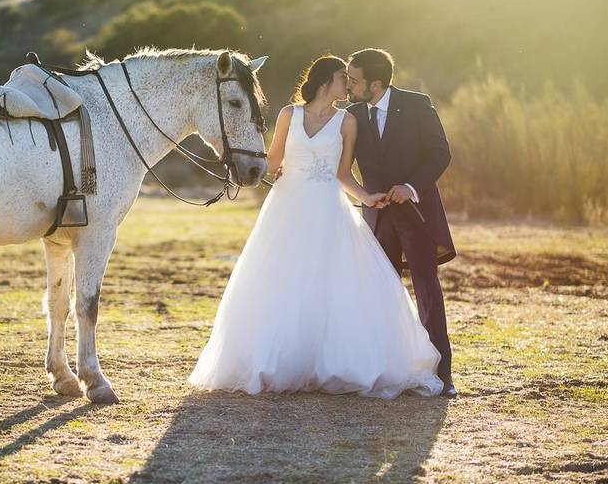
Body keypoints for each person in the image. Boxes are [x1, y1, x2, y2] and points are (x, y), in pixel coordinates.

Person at [188, 54, 444, 398]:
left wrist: (366, 197)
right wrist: (242, 169)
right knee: (280, 280)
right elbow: (273, 160)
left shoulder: (347, 121)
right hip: (287, 205)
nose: (348, 85)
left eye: (352, 79)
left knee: (327, 282)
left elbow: (343, 174)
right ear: (327, 81)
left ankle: (326, 362)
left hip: (328, 208)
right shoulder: (287, 115)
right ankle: (275, 360)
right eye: (344, 78)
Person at [346, 48, 457, 397]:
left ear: (376, 84)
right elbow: (331, 158)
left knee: (427, 291)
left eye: (353, 80)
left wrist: (410, 187)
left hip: (417, 215)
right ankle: (389, 370)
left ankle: (443, 375)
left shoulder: (417, 104)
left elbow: (440, 152)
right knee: (383, 294)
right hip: (376, 218)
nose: (348, 85)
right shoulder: (350, 115)